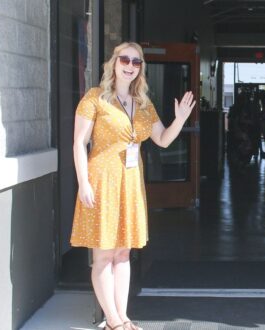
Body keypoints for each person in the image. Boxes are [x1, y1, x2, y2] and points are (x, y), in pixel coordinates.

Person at [69, 42, 195, 330]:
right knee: (103, 253)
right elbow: (79, 143)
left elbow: (162, 139)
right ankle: (112, 321)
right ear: (113, 63)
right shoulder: (95, 98)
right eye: (124, 59)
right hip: (101, 180)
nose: (129, 65)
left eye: (136, 61)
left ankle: (123, 317)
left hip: (130, 182)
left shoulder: (143, 103)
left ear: (141, 68)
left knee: (123, 253)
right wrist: (83, 183)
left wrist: (180, 119)